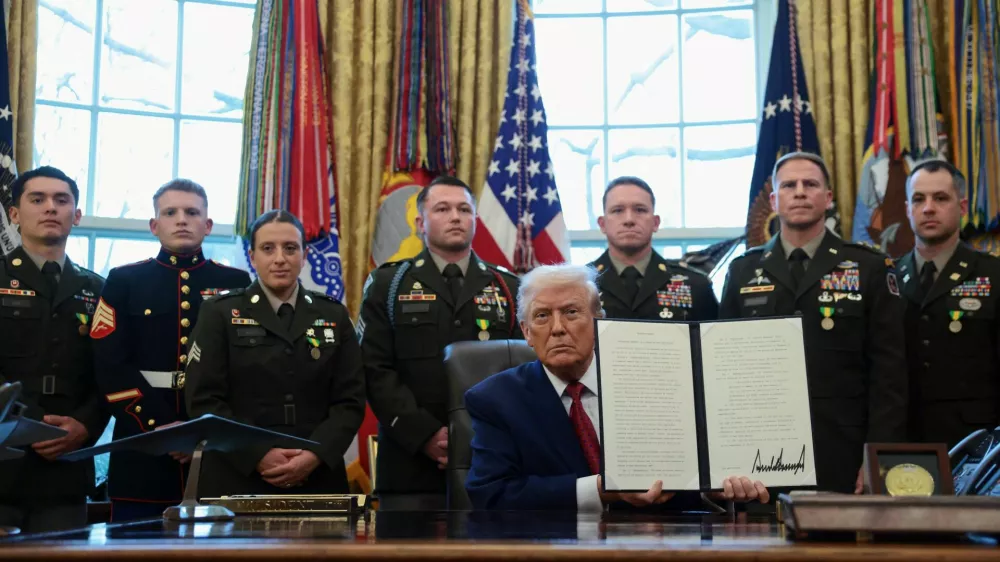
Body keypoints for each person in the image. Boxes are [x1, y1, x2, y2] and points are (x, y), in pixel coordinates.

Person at [464, 264, 768, 510]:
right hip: (556, 548)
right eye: (542, 316)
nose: (557, 328)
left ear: (599, 321)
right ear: (527, 332)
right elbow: (490, 493)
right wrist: (600, 490)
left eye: (571, 312)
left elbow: (683, 475)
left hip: (658, 543)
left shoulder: (657, 383)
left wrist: (713, 488)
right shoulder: (496, 399)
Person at [719, 151, 908, 494]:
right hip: (760, 454)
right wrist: (725, 459)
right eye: (789, 185)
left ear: (828, 197)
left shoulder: (868, 267)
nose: (800, 192)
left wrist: (878, 456)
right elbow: (724, 374)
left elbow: (889, 375)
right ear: (774, 200)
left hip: (843, 451)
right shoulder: (743, 271)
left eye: (810, 184)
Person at [358, 175, 522, 510]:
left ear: (475, 219)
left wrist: (481, 437)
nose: (455, 217)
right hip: (410, 463)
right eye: (443, 209)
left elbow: (522, 371)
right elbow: (375, 369)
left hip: (491, 460)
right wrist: (424, 435)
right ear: (420, 223)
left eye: (464, 209)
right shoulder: (388, 284)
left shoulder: (508, 287)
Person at [91, 179, 250, 521]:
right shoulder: (124, 280)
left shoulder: (237, 284)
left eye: (192, 212)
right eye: (170, 212)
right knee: (136, 543)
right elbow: (109, 364)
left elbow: (247, 368)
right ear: (154, 225)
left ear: (208, 225)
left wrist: (202, 431)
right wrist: (159, 428)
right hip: (142, 443)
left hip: (216, 450)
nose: (181, 220)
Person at [184, 210, 365, 497]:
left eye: (290, 248)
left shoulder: (333, 314)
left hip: (317, 477)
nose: (280, 258)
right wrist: (257, 454)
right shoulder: (219, 313)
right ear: (253, 257)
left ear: (304, 256)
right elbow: (204, 400)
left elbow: (350, 400)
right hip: (236, 477)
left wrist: (314, 455)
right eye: (268, 248)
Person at [0, 166, 107, 532]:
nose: (50, 207)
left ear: (76, 215)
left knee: (62, 556)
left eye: (61, 200)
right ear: (15, 214)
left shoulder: (99, 289)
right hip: (4, 457)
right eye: (37, 199)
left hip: (67, 467)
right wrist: (28, 423)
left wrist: (85, 426)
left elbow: (109, 373)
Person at [896, 160, 1000, 448]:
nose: (928, 208)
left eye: (940, 198)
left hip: (976, 442)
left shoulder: (993, 274)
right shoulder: (887, 276)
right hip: (904, 440)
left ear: (962, 207)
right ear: (907, 209)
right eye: (919, 199)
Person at [590, 177, 718, 321]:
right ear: (602, 224)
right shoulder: (581, 284)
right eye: (618, 210)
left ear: (655, 223)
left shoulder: (695, 284)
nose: (629, 220)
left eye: (640, 210)